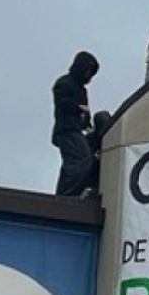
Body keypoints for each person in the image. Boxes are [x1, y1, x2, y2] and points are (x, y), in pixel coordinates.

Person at [52, 51, 101, 198]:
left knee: (72, 162)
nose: (88, 75)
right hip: (67, 130)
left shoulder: (81, 90)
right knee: (82, 158)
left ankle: (63, 194)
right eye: (87, 71)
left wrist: (88, 125)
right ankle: (70, 194)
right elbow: (61, 102)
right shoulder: (64, 83)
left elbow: (85, 113)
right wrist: (78, 107)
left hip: (76, 130)